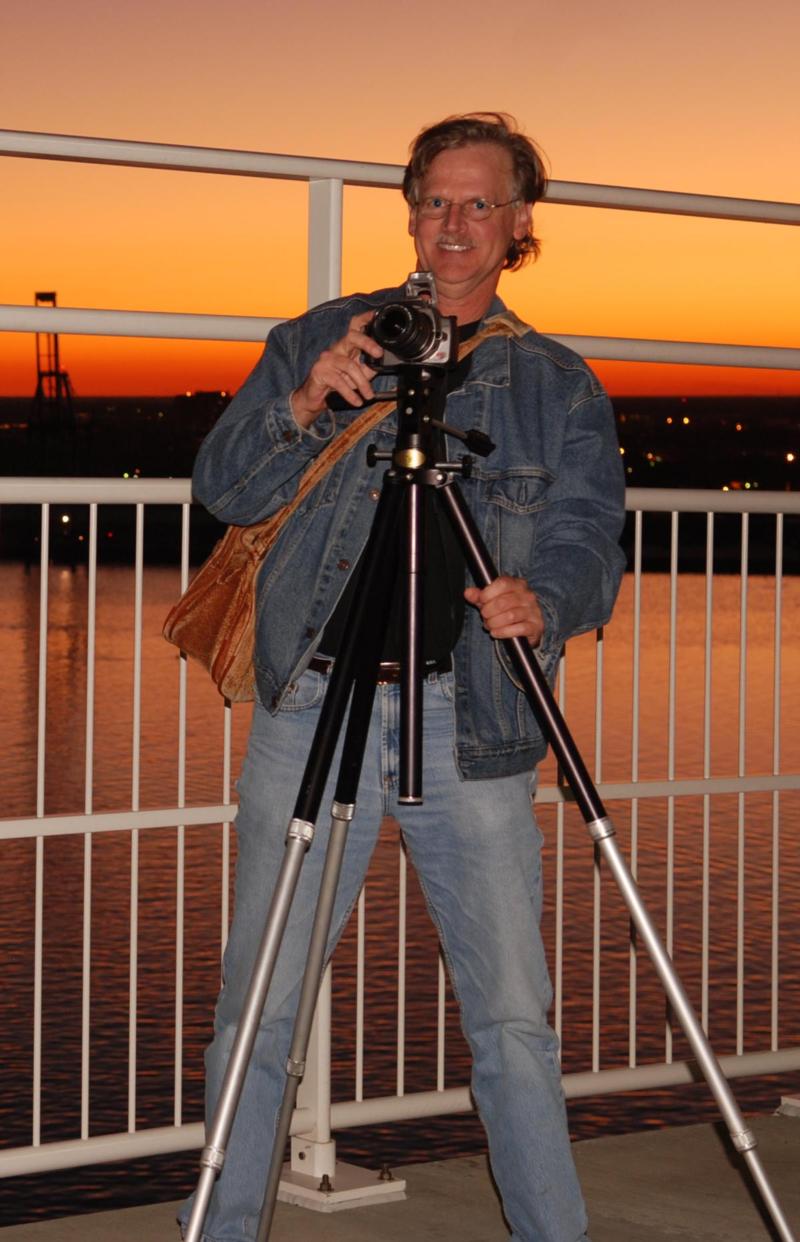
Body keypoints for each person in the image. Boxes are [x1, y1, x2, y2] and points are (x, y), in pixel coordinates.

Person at [181, 112, 626, 1242]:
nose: (454, 224)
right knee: (258, 1007)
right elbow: (226, 488)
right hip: (314, 706)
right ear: (411, 211)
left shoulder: (555, 383)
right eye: (434, 200)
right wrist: (306, 396)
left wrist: (548, 603)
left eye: (479, 203)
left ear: (519, 222)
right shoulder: (329, 335)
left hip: (470, 715)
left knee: (512, 1018)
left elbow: (584, 534)